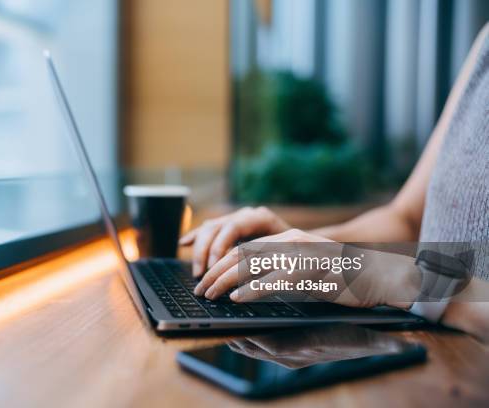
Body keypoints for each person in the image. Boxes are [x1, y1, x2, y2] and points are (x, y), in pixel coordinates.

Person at [180, 24, 489, 341]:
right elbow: (407, 220)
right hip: (425, 351)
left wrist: (400, 279)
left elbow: (392, 272)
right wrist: (299, 245)